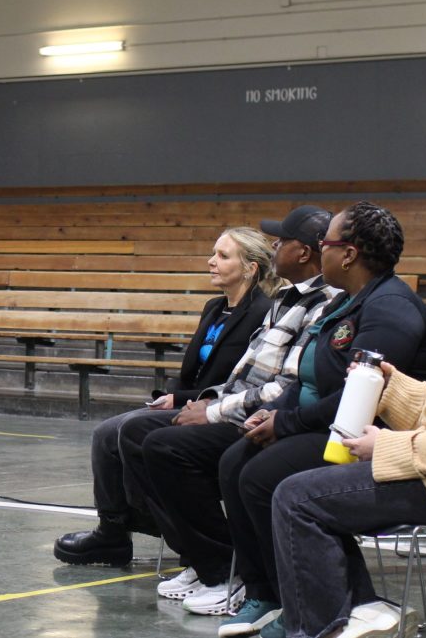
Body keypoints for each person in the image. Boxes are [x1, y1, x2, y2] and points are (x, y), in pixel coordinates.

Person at [270, 190, 426, 638]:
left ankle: (328, 625)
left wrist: (385, 446)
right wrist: (393, 387)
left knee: (297, 498)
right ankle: (353, 613)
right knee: (293, 489)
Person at [217, 202, 426, 638]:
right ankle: (267, 593)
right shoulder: (347, 301)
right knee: (234, 463)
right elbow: (309, 378)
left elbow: (361, 397)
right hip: (329, 424)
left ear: (348, 255)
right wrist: (278, 412)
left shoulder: (390, 308)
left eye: (326, 243)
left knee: (264, 476)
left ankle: (322, 604)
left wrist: (287, 424)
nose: (321, 248)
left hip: (379, 439)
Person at [122, 206, 340, 616]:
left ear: (304, 252)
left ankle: (225, 570)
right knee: (134, 433)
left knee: (165, 446)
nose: (275, 246)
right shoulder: (286, 299)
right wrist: (207, 400)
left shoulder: (323, 304)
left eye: (282, 241)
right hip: (238, 405)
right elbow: (246, 373)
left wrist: (213, 412)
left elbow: (286, 386)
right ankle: (198, 556)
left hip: (265, 418)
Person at [54, 227, 278, 567]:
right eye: (213, 253)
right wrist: (173, 395)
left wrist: (183, 399)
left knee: (128, 432)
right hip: (186, 400)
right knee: (105, 434)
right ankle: (113, 532)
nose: (211, 261)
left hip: (218, 408)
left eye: (223, 256)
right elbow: (191, 370)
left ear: (250, 268)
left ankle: (156, 521)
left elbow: (237, 382)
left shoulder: (263, 312)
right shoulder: (214, 308)